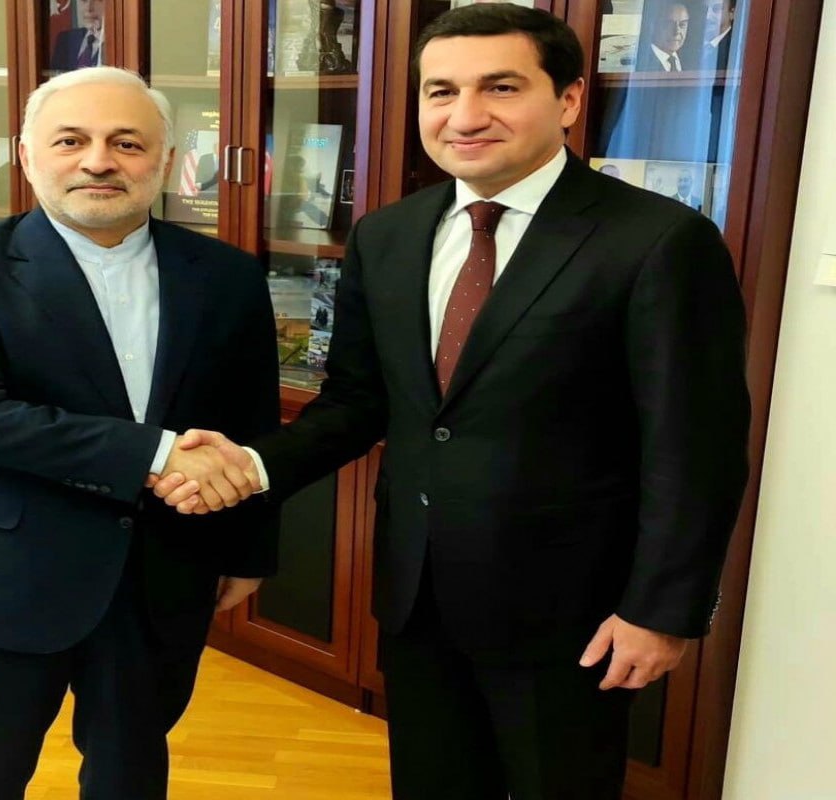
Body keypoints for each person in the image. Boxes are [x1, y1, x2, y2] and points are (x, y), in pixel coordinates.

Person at [152, 5, 750, 799]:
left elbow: (695, 448)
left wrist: (662, 611)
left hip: (571, 614)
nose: (465, 116)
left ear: (569, 99)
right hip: (417, 594)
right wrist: (252, 466)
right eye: (441, 91)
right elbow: (357, 402)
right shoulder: (387, 236)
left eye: (500, 87)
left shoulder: (658, 241)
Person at [0, 66, 281, 800]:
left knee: (131, 777)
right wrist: (158, 453)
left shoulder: (226, 275)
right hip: (1, 576)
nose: (99, 161)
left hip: (163, 572)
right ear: (27, 154)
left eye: (127, 143)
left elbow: (251, 421)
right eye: (71, 140)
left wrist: (249, 549)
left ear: (165, 161)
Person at [635, 0, 692, 71]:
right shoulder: (640, 62)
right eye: (669, 24)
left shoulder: (691, 62)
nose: (677, 31)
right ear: (653, 25)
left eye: (682, 24)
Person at [50, 0, 104, 71]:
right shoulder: (65, 40)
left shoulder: (115, 46)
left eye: (98, 1)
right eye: (84, 0)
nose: (88, 8)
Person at [701, 0, 737, 69]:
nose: (708, 16)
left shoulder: (735, 49)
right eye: (704, 9)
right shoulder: (690, 45)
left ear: (732, 13)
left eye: (717, 9)